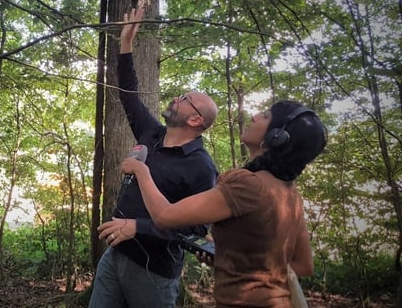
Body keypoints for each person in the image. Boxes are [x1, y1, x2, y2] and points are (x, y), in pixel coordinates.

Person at [121, 100, 327, 307]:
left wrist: (141, 170)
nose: (254, 116)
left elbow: (164, 215)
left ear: (276, 139)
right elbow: (303, 265)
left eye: (265, 116)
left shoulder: (247, 184)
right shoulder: (290, 193)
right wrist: (227, 258)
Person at [88, 7, 219, 308]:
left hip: (153, 272)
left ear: (196, 121)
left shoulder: (201, 166)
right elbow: (128, 94)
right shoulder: (152, 134)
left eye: (186, 99)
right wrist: (126, 43)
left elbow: (197, 229)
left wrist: (138, 226)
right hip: (115, 254)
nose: (177, 98)